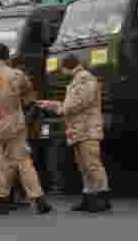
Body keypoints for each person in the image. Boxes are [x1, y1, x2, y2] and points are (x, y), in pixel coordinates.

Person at [0, 44, 52, 215]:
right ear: (7, 57)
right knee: (23, 162)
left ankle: (0, 200)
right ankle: (37, 198)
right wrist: (26, 117)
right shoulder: (17, 74)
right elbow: (30, 99)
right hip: (15, 124)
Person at [40, 55, 111, 212]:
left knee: (92, 164)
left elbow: (77, 103)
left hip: (88, 129)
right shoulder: (78, 79)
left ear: (67, 66)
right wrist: (49, 104)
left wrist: (59, 108)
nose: (62, 72)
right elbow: (71, 104)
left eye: (62, 69)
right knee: (84, 166)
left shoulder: (85, 79)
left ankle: (102, 197)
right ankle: (89, 197)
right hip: (79, 129)